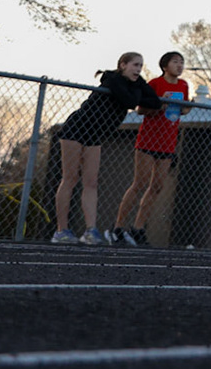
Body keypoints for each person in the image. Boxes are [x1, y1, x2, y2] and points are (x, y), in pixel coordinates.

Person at [51, 53, 162, 245]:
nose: (138, 69)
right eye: (135, 65)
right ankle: (61, 230)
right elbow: (129, 102)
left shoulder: (136, 83)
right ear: (123, 65)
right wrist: (138, 93)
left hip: (96, 135)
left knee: (91, 182)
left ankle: (90, 230)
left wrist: (137, 92)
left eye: (141, 66)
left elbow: (155, 102)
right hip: (76, 129)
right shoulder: (113, 79)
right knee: (70, 178)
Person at [109, 51, 188, 246]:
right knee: (140, 184)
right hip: (148, 140)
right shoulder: (154, 84)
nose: (179, 65)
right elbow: (141, 110)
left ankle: (138, 228)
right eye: (175, 62)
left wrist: (187, 107)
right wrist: (160, 103)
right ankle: (118, 227)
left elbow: (183, 109)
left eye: (182, 62)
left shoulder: (184, 85)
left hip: (168, 142)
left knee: (157, 186)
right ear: (165, 66)